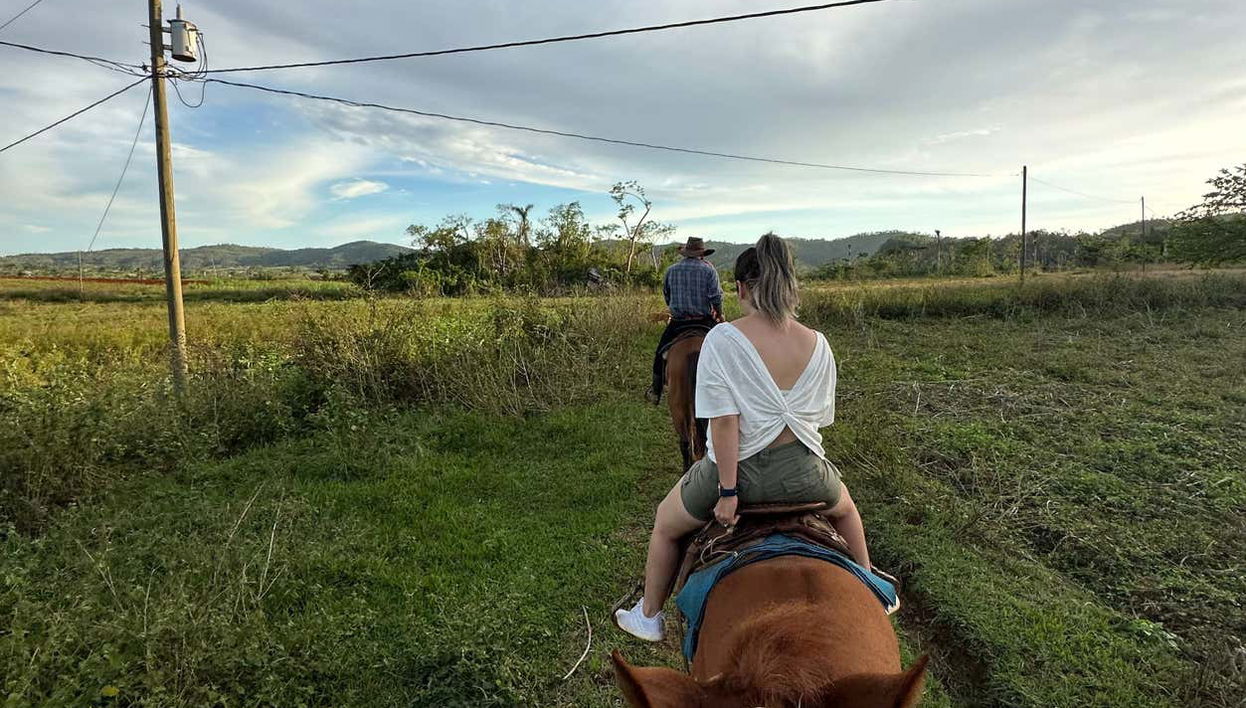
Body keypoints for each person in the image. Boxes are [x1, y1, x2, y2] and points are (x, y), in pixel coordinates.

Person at [615, 232, 872, 642]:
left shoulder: (723, 338)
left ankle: (649, 616)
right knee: (846, 511)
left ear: (740, 288)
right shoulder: (819, 344)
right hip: (807, 473)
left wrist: (729, 492)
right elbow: (820, 417)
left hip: (741, 477)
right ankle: (872, 589)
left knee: (665, 523)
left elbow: (724, 423)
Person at [646, 237, 723, 404]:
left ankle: (656, 391)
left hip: (678, 323)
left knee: (659, 353)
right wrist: (720, 314)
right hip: (704, 321)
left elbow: (667, 296)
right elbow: (716, 297)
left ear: (686, 253)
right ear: (701, 254)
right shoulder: (709, 270)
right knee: (725, 351)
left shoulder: (671, 270)